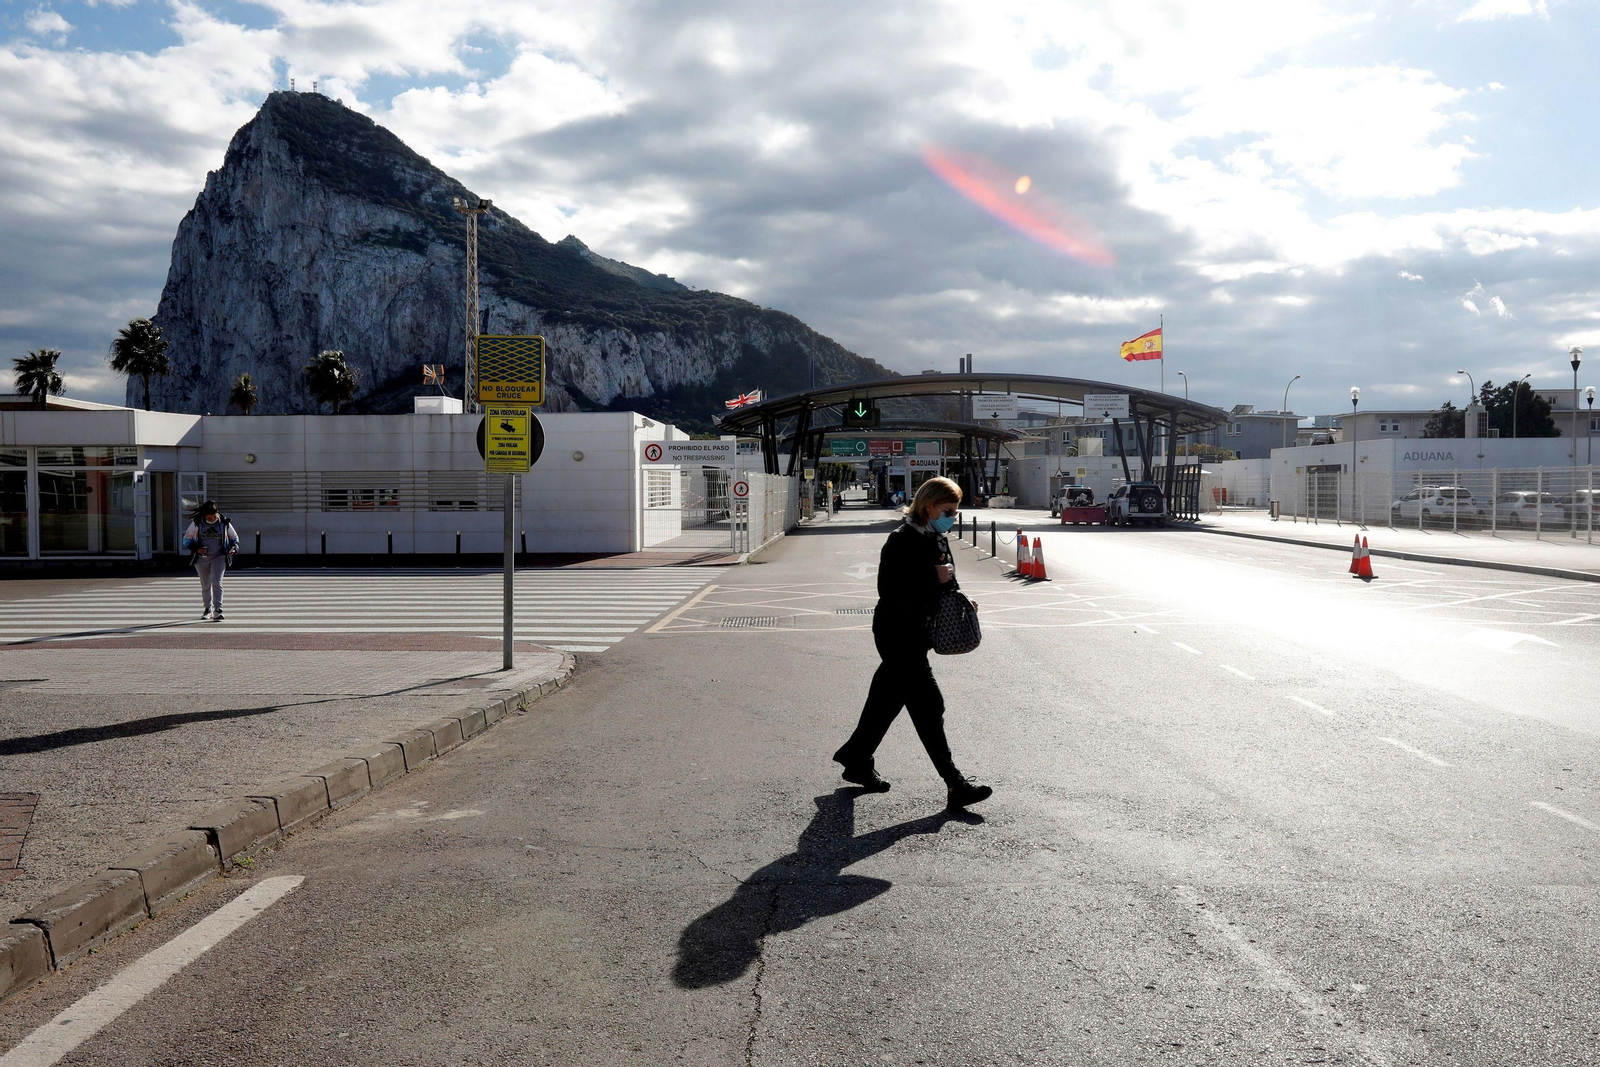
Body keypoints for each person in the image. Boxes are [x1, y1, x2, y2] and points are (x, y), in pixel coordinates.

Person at [832, 476, 992, 808]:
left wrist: (962, 599)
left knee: (886, 702)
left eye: (956, 512)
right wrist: (932, 577)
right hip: (896, 632)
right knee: (929, 706)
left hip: (919, 634)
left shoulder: (936, 537)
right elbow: (890, 590)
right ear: (929, 506)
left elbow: (947, 582)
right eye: (949, 510)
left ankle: (856, 758)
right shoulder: (900, 540)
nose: (953, 517)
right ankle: (955, 784)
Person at [182, 501, 239, 621]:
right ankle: (207, 609)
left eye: (214, 516)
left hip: (219, 556)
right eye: (209, 517)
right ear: (204, 516)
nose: (213, 519)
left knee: (217, 582)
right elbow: (186, 540)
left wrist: (234, 548)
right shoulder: (197, 523)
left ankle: (218, 609)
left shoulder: (224, 522)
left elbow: (234, 538)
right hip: (201, 559)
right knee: (206, 584)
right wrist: (197, 549)